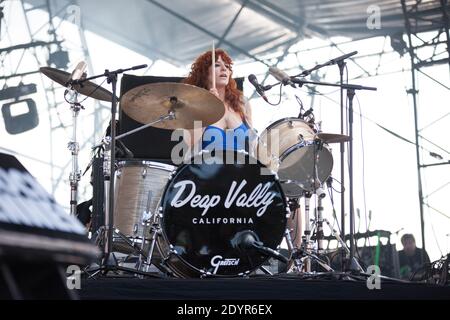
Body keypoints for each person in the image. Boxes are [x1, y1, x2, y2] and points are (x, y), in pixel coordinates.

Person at [182, 48, 254, 152]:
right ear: (204, 73)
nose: (224, 69)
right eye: (217, 65)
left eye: (227, 66)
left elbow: (253, 145)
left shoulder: (242, 103)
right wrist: (208, 108)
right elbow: (189, 144)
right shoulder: (193, 106)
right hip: (208, 166)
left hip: (242, 166)